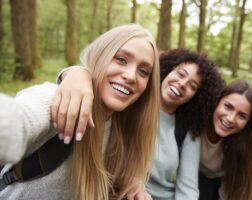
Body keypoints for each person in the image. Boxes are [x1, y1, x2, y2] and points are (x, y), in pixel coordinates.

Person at [0, 24, 161, 200]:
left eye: (143, 71)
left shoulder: (122, 131)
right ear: (100, 56)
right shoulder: (57, 100)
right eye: (121, 59)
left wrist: (131, 184)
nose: (130, 76)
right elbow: (18, 121)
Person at [51, 48, 225, 200]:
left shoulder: (186, 130)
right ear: (168, 69)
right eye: (180, 74)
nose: (182, 84)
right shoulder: (130, 102)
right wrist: (75, 72)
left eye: (192, 86)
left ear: (196, 96)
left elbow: (188, 188)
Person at [199, 80, 252, 200]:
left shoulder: (244, 146)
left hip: (223, 185)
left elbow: (237, 192)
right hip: (191, 179)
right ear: (217, 101)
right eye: (228, 107)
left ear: (248, 123)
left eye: (242, 116)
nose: (230, 118)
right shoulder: (197, 122)